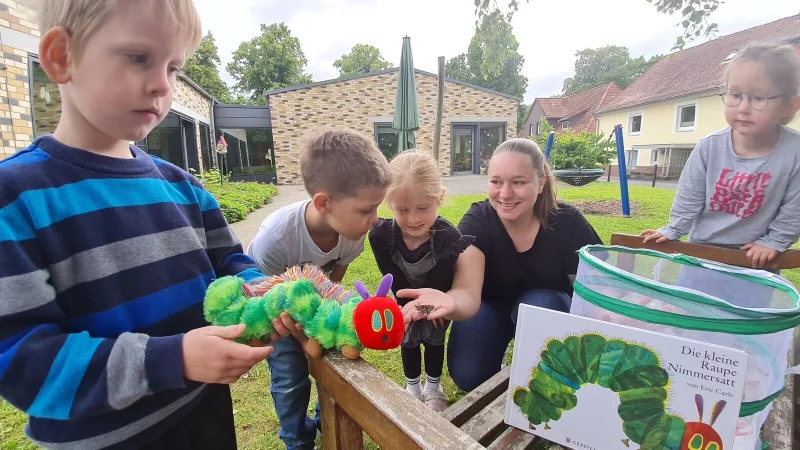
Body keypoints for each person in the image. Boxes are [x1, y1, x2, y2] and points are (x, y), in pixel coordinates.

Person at [0, 1, 276, 449]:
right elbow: (20, 361)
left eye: (173, 68)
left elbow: (230, 264)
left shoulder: (183, 186)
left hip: (203, 412)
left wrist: (263, 293)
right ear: (60, 57)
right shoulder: (16, 196)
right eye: (138, 57)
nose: (161, 85)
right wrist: (172, 359)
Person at [400, 138, 603, 392]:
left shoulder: (567, 222)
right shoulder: (477, 221)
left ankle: (543, 366)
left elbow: (597, 288)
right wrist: (450, 302)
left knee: (539, 302)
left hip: (545, 307)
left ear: (541, 183)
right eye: (496, 182)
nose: (505, 194)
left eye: (518, 182)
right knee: (469, 376)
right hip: (489, 307)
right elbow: (466, 289)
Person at [246, 129, 391, 450]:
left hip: (317, 312)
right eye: (366, 210)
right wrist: (299, 337)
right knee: (290, 377)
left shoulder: (352, 233)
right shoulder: (275, 239)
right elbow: (265, 299)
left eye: (376, 208)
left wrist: (323, 327)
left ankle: (326, 422)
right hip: (276, 316)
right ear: (324, 202)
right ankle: (297, 439)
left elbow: (332, 285)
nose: (375, 219)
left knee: (335, 364)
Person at [641, 42, 800, 269]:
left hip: (755, 260)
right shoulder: (709, 146)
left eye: (758, 98)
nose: (743, 108)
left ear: (790, 106)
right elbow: (689, 196)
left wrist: (774, 241)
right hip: (701, 255)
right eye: (735, 95)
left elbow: (795, 208)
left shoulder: (795, 152)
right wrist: (673, 229)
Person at [368, 151, 476, 412]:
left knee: (434, 337)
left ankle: (433, 387)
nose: (414, 219)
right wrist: (407, 309)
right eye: (402, 210)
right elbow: (393, 278)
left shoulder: (448, 237)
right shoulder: (381, 236)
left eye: (423, 208)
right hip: (404, 296)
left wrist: (427, 308)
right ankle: (412, 388)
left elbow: (442, 279)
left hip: (437, 299)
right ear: (389, 204)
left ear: (438, 198)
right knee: (408, 337)